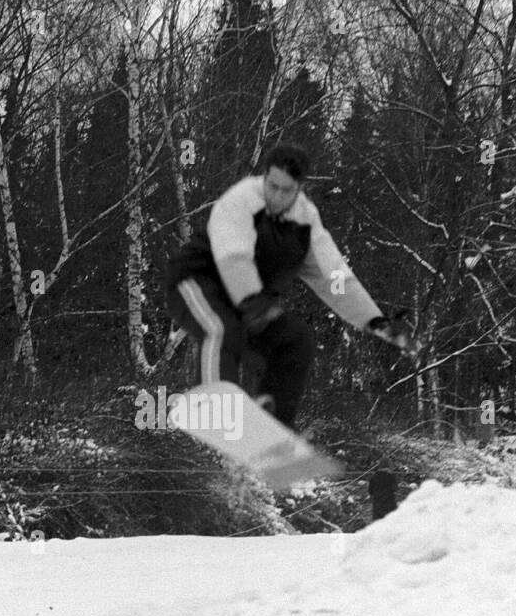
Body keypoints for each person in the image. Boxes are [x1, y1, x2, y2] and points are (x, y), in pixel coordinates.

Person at [165, 144, 419, 429]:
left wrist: (375, 321)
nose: (276, 195)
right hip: (198, 282)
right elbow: (234, 255)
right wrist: (251, 298)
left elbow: (334, 278)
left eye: (286, 190)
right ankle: (214, 413)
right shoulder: (240, 200)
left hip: (252, 306)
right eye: (272, 186)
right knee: (221, 329)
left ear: (299, 188)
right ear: (264, 177)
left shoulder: (306, 221)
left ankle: (273, 429)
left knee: (297, 341)